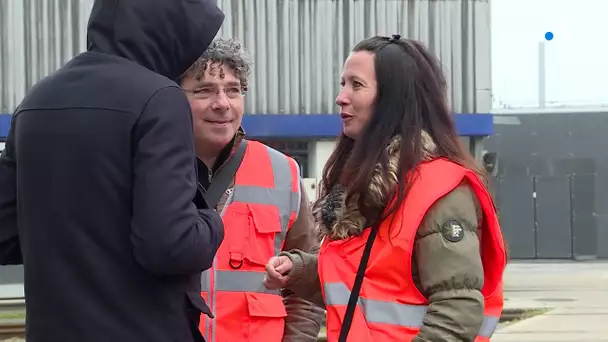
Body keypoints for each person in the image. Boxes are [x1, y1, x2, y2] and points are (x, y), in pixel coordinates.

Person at [0, 0, 226, 341]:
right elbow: (170, 246)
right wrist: (213, 223)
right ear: (170, 31)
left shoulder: (36, 100)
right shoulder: (159, 98)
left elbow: (5, 236)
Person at [264, 35, 507, 342]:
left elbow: (458, 309)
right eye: (342, 84)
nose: (341, 97)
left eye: (356, 85)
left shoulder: (440, 189)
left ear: (394, 100)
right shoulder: (369, 188)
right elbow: (364, 287)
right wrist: (298, 270)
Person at [178, 37, 324, 342]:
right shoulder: (145, 170)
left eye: (233, 90)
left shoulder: (283, 172)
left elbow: (310, 284)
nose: (222, 103)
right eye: (204, 90)